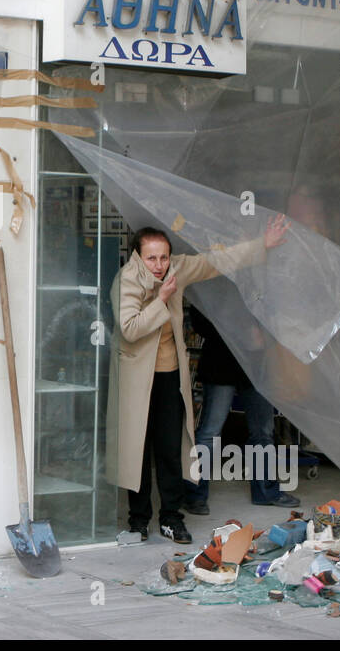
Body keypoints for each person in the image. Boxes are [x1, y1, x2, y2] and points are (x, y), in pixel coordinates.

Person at [108, 215, 289, 544]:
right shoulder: (126, 281)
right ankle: (138, 521)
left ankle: (172, 518)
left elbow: (214, 261)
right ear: (138, 256)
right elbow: (130, 328)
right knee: (136, 452)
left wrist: (262, 244)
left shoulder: (175, 269)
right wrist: (161, 298)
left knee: (170, 449)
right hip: (136, 382)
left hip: (169, 377)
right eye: (152, 257)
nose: (160, 264)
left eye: (164, 256)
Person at [183, 309, 301, 515]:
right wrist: (244, 331)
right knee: (210, 433)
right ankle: (195, 495)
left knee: (263, 431)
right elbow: (199, 320)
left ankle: (265, 492)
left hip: (255, 365)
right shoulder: (210, 279)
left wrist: (260, 333)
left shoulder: (256, 280)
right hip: (221, 362)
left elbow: (275, 315)